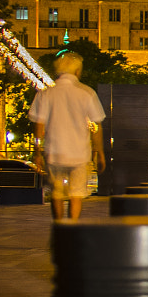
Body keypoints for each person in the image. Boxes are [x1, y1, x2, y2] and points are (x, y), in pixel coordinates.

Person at [29, 52, 105, 221]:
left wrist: (37, 151)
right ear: (77, 71)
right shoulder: (87, 93)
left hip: (54, 152)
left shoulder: (46, 94)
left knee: (57, 193)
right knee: (76, 193)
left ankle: (58, 226)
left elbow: (39, 125)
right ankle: (72, 226)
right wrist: (99, 152)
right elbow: (97, 124)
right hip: (79, 153)